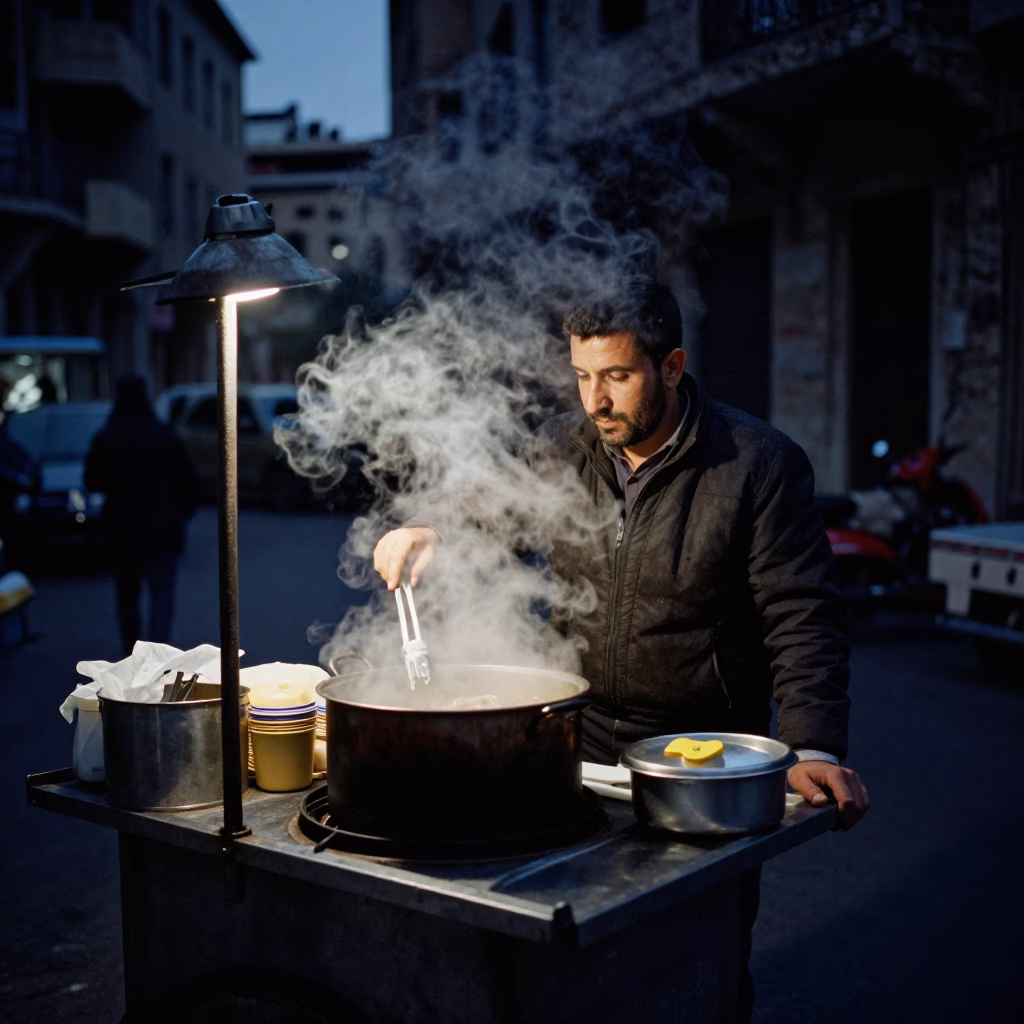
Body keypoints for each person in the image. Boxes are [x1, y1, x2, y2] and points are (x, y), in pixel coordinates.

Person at [374, 275, 869, 1021]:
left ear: (670, 368)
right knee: (578, 957)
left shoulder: (758, 465)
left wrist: (812, 744)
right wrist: (430, 525)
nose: (595, 401)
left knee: (694, 969)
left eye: (616, 376)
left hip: (700, 755)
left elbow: (803, 613)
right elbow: (494, 505)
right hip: (580, 741)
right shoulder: (568, 450)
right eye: (581, 377)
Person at [85, 376, 199, 655]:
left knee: (127, 596)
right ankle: (157, 653)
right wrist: (184, 511)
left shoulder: (107, 436)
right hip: (162, 529)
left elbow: (92, 479)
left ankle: (132, 652)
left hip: (122, 531)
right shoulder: (163, 435)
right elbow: (187, 478)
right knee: (161, 595)